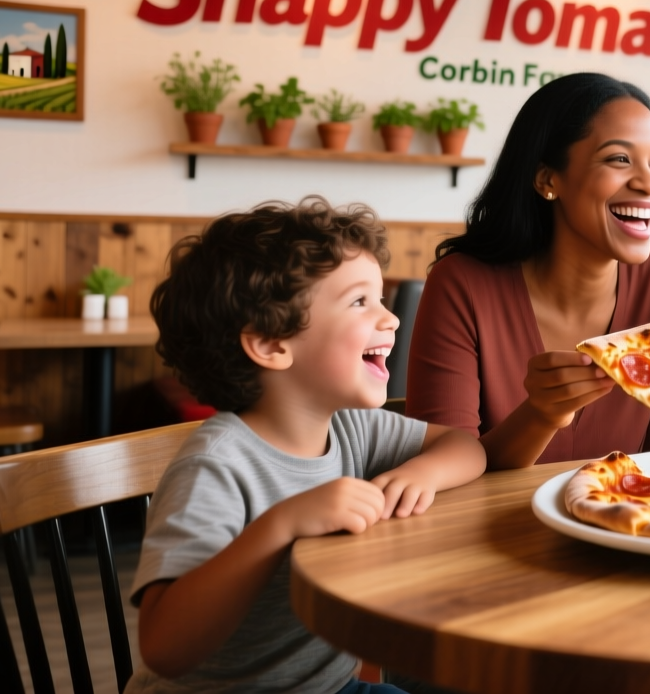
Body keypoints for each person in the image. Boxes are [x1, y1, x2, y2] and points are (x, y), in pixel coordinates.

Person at [130, 198, 487, 694]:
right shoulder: (215, 466)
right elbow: (164, 648)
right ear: (271, 344)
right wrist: (281, 525)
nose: (391, 319)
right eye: (360, 302)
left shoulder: (351, 428)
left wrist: (421, 473)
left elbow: (466, 447)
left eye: (381, 299)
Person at [407, 73, 650, 469]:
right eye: (619, 159)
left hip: (628, 512)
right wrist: (540, 415)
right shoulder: (462, 284)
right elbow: (439, 469)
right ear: (547, 178)